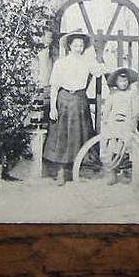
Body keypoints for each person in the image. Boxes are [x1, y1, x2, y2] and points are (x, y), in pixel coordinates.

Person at [41, 29, 101, 185]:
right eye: (75, 45)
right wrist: (53, 108)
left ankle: (75, 170)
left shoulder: (87, 62)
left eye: (81, 45)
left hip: (80, 101)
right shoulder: (61, 63)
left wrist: (95, 56)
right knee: (61, 136)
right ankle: (60, 172)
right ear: (69, 46)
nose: (78, 48)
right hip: (64, 100)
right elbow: (54, 86)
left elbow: (99, 72)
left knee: (78, 135)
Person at [101, 67, 139, 186]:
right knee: (114, 149)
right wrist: (105, 121)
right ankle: (112, 174)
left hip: (126, 124)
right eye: (120, 82)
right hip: (115, 125)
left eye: (125, 82)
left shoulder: (131, 95)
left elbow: (135, 109)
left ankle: (127, 174)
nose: (123, 84)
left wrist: (134, 118)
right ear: (116, 83)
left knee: (127, 149)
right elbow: (107, 110)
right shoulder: (113, 96)